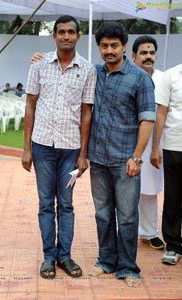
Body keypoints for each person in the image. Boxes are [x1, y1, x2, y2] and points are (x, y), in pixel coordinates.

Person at [22, 15, 97, 280]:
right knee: (45, 203)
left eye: (71, 32)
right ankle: (48, 257)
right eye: (61, 32)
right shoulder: (39, 65)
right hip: (42, 147)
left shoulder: (87, 70)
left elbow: (87, 112)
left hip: (70, 150)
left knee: (65, 203)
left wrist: (83, 154)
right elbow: (30, 105)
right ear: (54, 36)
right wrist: (27, 148)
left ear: (78, 36)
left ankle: (64, 255)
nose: (66, 36)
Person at [87, 22, 155, 287]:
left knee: (127, 216)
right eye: (104, 46)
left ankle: (128, 267)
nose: (109, 50)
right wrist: (41, 58)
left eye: (114, 45)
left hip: (126, 160)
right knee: (102, 214)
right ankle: (106, 261)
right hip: (98, 159)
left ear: (125, 47)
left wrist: (136, 157)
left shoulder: (140, 78)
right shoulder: (94, 73)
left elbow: (147, 119)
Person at [132, 36, 164, 250]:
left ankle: (149, 232)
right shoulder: (127, 75)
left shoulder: (164, 78)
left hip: (155, 143)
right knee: (124, 191)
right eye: (144, 53)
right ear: (133, 56)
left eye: (151, 52)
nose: (148, 57)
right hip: (128, 142)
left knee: (150, 190)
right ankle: (122, 231)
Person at [150, 63, 182, 265]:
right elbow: (161, 112)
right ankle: (173, 245)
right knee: (173, 197)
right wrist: (155, 147)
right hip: (175, 146)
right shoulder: (171, 75)